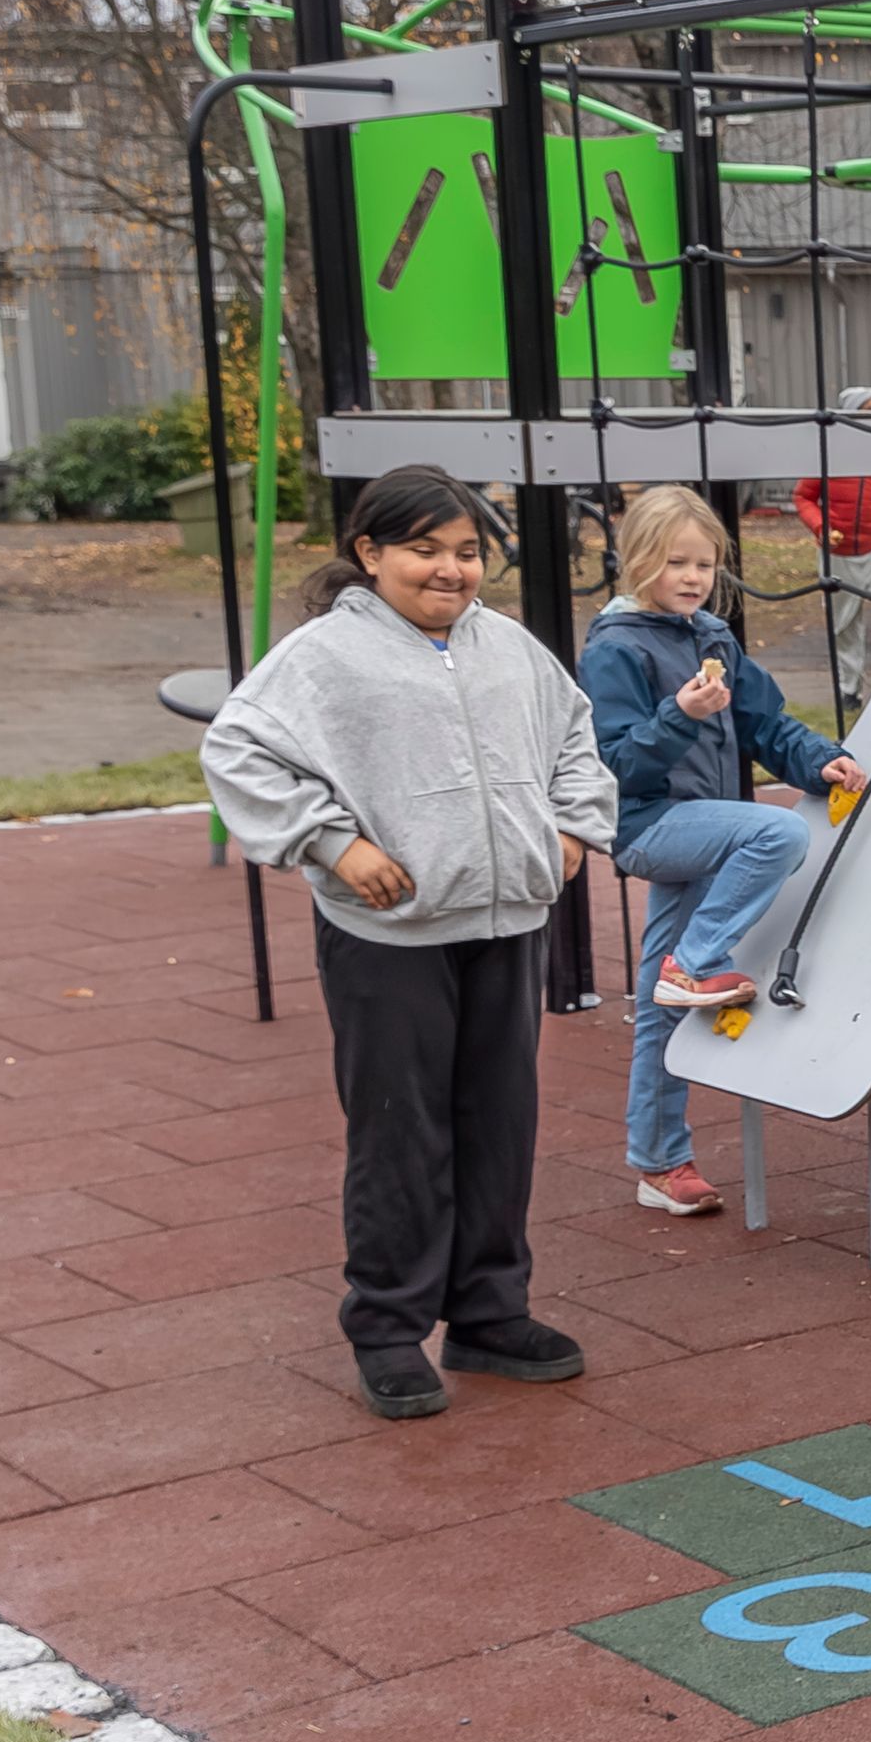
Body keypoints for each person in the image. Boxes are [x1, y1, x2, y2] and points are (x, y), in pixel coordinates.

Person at [202, 464, 613, 1421]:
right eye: (425, 550)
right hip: (388, 934)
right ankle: (388, 1326)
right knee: (399, 1127)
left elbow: (574, 740)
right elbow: (239, 747)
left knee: (499, 1122)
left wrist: (569, 829)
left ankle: (488, 1312)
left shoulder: (509, 648)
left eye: (467, 552)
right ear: (370, 554)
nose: (451, 570)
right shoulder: (324, 658)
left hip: (506, 918)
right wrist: (334, 844)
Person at [584, 485, 868, 1215]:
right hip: (652, 826)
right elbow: (617, 766)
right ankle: (698, 963)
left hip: (702, 832)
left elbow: (766, 723)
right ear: (635, 561)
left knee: (658, 1007)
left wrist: (819, 760)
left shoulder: (713, 637)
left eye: (704, 564)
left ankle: (659, 1163)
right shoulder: (616, 648)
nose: (691, 576)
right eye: (674, 561)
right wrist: (678, 716)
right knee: (776, 831)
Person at [793, 387, 871, 708]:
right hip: (838, 555)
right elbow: (803, 496)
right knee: (844, 626)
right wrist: (820, 527)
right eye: (868, 409)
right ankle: (849, 691)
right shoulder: (829, 453)